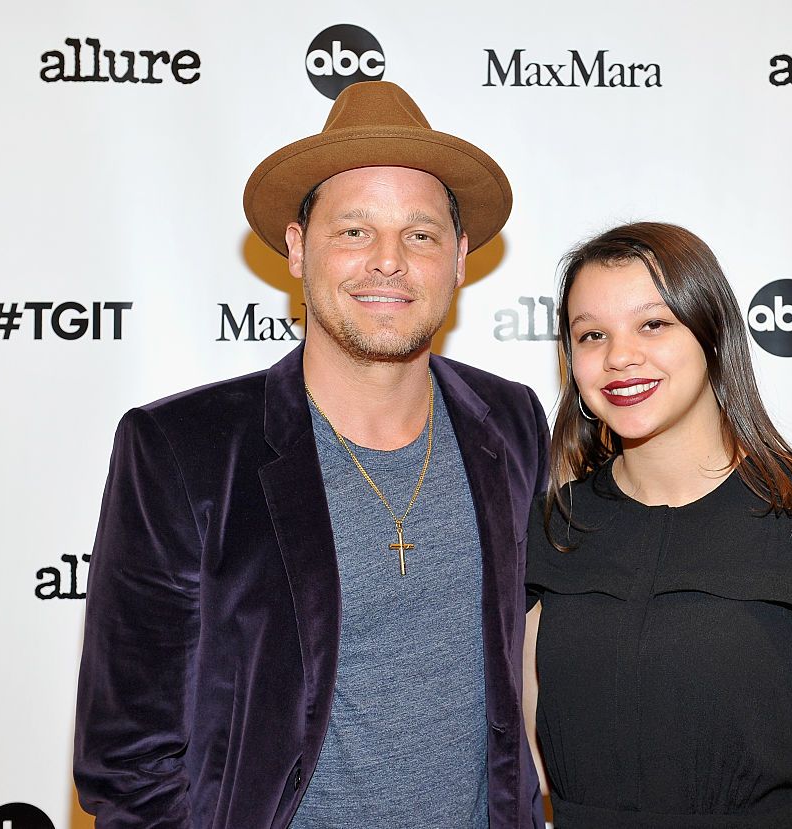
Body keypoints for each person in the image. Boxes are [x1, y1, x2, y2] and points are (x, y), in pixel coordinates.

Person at [74, 80, 548, 828]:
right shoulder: (182, 450)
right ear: (297, 248)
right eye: (353, 231)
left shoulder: (512, 421)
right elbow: (129, 759)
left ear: (459, 258)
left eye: (420, 234)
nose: (387, 261)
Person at [523, 222, 792, 828]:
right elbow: (525, 774)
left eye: (653, 323)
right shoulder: (550, 529)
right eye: (592, 334)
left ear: (713, 333)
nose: (620, 355)